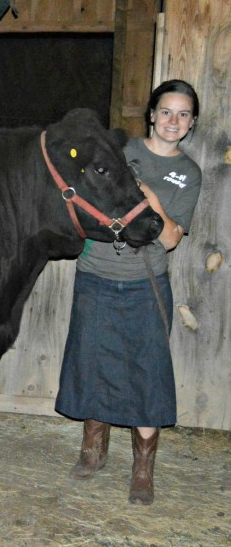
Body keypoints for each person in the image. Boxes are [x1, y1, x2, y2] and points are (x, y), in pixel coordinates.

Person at [55, 80, 202, 505]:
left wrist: (149, 196)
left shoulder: (188, 173)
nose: (173, 121)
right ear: (152, 114)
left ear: (191, 124)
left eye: (183, 114)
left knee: (146, 373)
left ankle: (142, 469)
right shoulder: (118, 151)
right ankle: (93, 449)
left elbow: (171, 238)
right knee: (92, 361)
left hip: (146, 284)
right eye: (166, 111)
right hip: (96, 274)